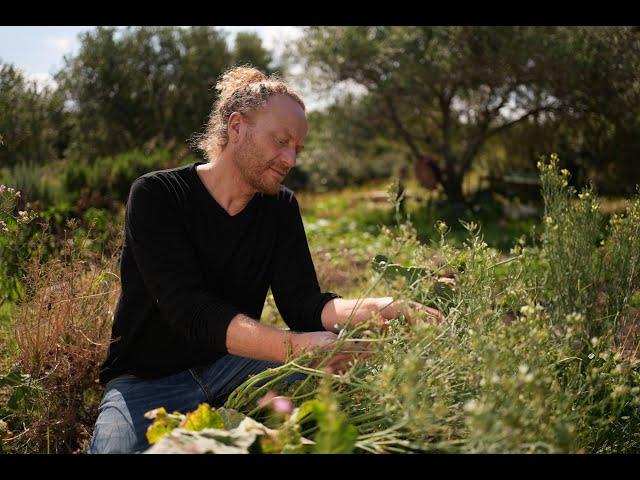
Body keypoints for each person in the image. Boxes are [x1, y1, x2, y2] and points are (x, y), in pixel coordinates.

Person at [87, 66, 443, 454]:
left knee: (350, 413)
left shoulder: (280, 207)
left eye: (298, 148)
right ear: (236, 128)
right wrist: (300, 348)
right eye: (280, 141)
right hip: (145, 382)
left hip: (237, 367)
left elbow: (304, 305)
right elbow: (190, 311)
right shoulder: (158, 194)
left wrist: (378, 307)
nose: (290, 159)